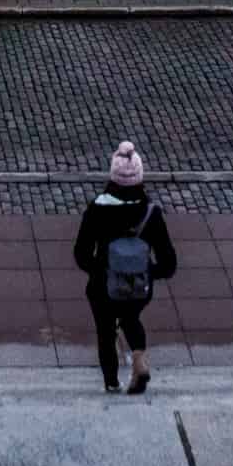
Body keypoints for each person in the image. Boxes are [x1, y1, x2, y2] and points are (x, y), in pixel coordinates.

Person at [73, 142, 178, 394]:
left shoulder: (97, 209)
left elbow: (81, 253)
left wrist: (98, 270)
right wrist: (148, 272)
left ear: (113, 175)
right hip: (140, 285)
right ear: (139, 176)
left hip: (104, 284)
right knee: (131, 317)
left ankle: (111, 382)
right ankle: (139, 359)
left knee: (106, 329)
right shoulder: (150, 212)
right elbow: (168, 263)